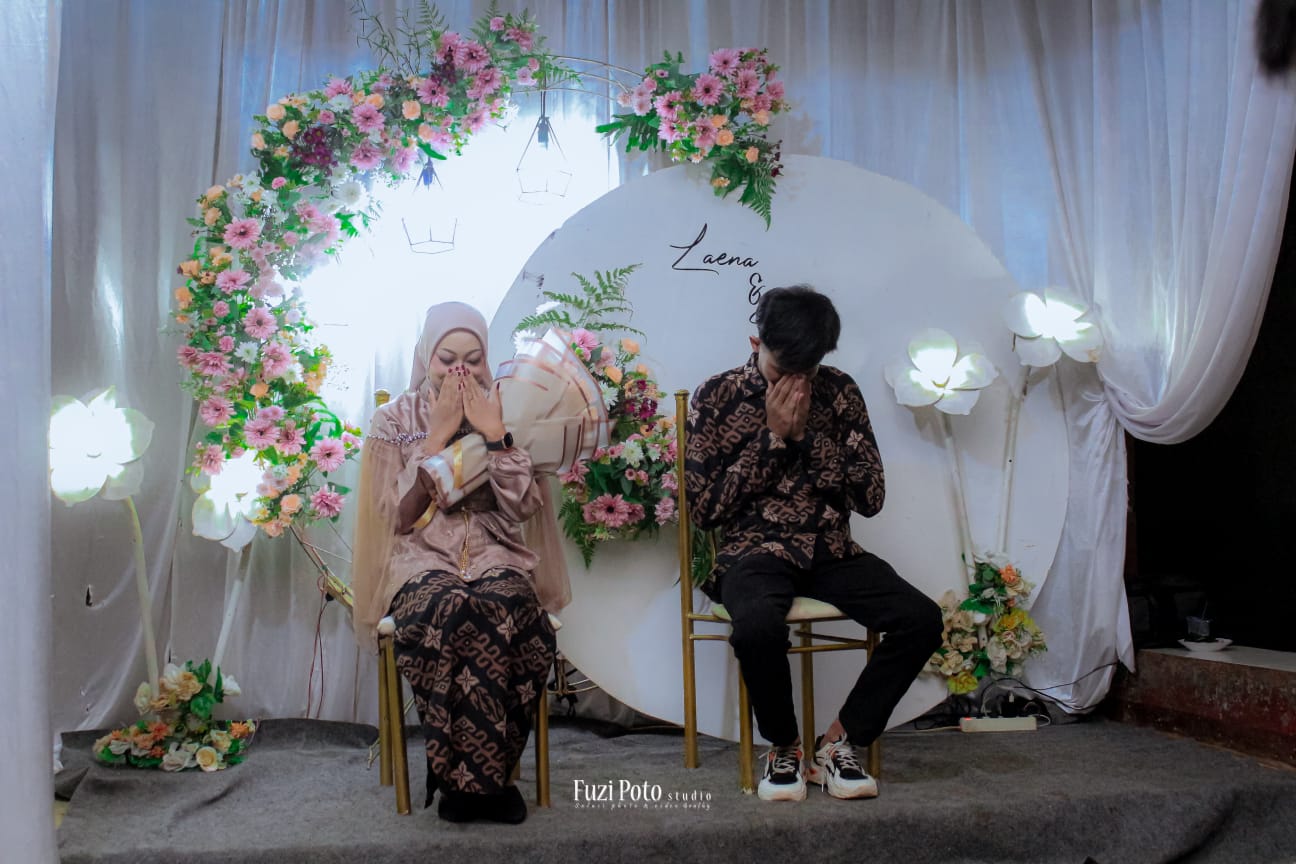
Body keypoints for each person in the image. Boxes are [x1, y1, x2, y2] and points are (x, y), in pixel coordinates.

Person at [685, 285, 943, 802]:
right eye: (782, 373)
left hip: (831, 550)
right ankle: (784, 746)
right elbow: (705, 509)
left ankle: (839, 742)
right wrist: (771, 437)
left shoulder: (840, 391)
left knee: (922, 619)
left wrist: (807, 438)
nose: (795, 387)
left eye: (807, 373)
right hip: (753, 551)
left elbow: (871, 497)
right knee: (756, 626)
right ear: (756, 343)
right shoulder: (716, 396)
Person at [351, 302, 562, 825]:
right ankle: (467, 783)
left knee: (505, 604)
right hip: (421, 560)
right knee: (447, 607)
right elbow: (398, 519)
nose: (460, 372)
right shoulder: (394, 420)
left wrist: (495, 435)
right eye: (447, 359)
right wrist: (436, 440)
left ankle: (480, 782)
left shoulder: (506, 408)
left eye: (473, 359)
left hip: (497, 552)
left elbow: (522, 507)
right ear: (426, 356)